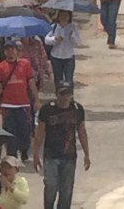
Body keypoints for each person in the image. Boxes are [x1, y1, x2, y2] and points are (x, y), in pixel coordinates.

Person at [34, 81, 90, 209]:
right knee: (51, 186)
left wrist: (87, 154)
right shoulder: (47, 110)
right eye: (62, 94)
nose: (65, 98)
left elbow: (82, 131)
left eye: (68, 94)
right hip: (51, 155)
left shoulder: (77, 109)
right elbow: (40, 133)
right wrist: (36, 153)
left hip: (69, 156)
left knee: (66, 190)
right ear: (57, 94)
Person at [0, 40, 40, 161]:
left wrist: (36, 100)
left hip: (23, 104)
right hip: (8, 106)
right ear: (4, 52)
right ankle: (11, 157)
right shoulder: (0, 67)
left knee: (25, 130)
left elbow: (31, 83)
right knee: (10, 133)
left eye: (13, 50)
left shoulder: (25, 64)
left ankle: (24, 149)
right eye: (8, 50)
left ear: (17, 52)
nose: (10, 52)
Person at [45, 10, 80, 88]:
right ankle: (59, 97)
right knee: (58, 80)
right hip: (56, 57)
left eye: (66, 16)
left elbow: (77, 43)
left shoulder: (73, 27)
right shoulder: (54, 26)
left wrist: (72, 37)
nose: (64, 18)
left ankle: (69, 98)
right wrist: (54, 39)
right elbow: (46, 40)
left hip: (68, 57)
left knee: (69, 80)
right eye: (62, 15)